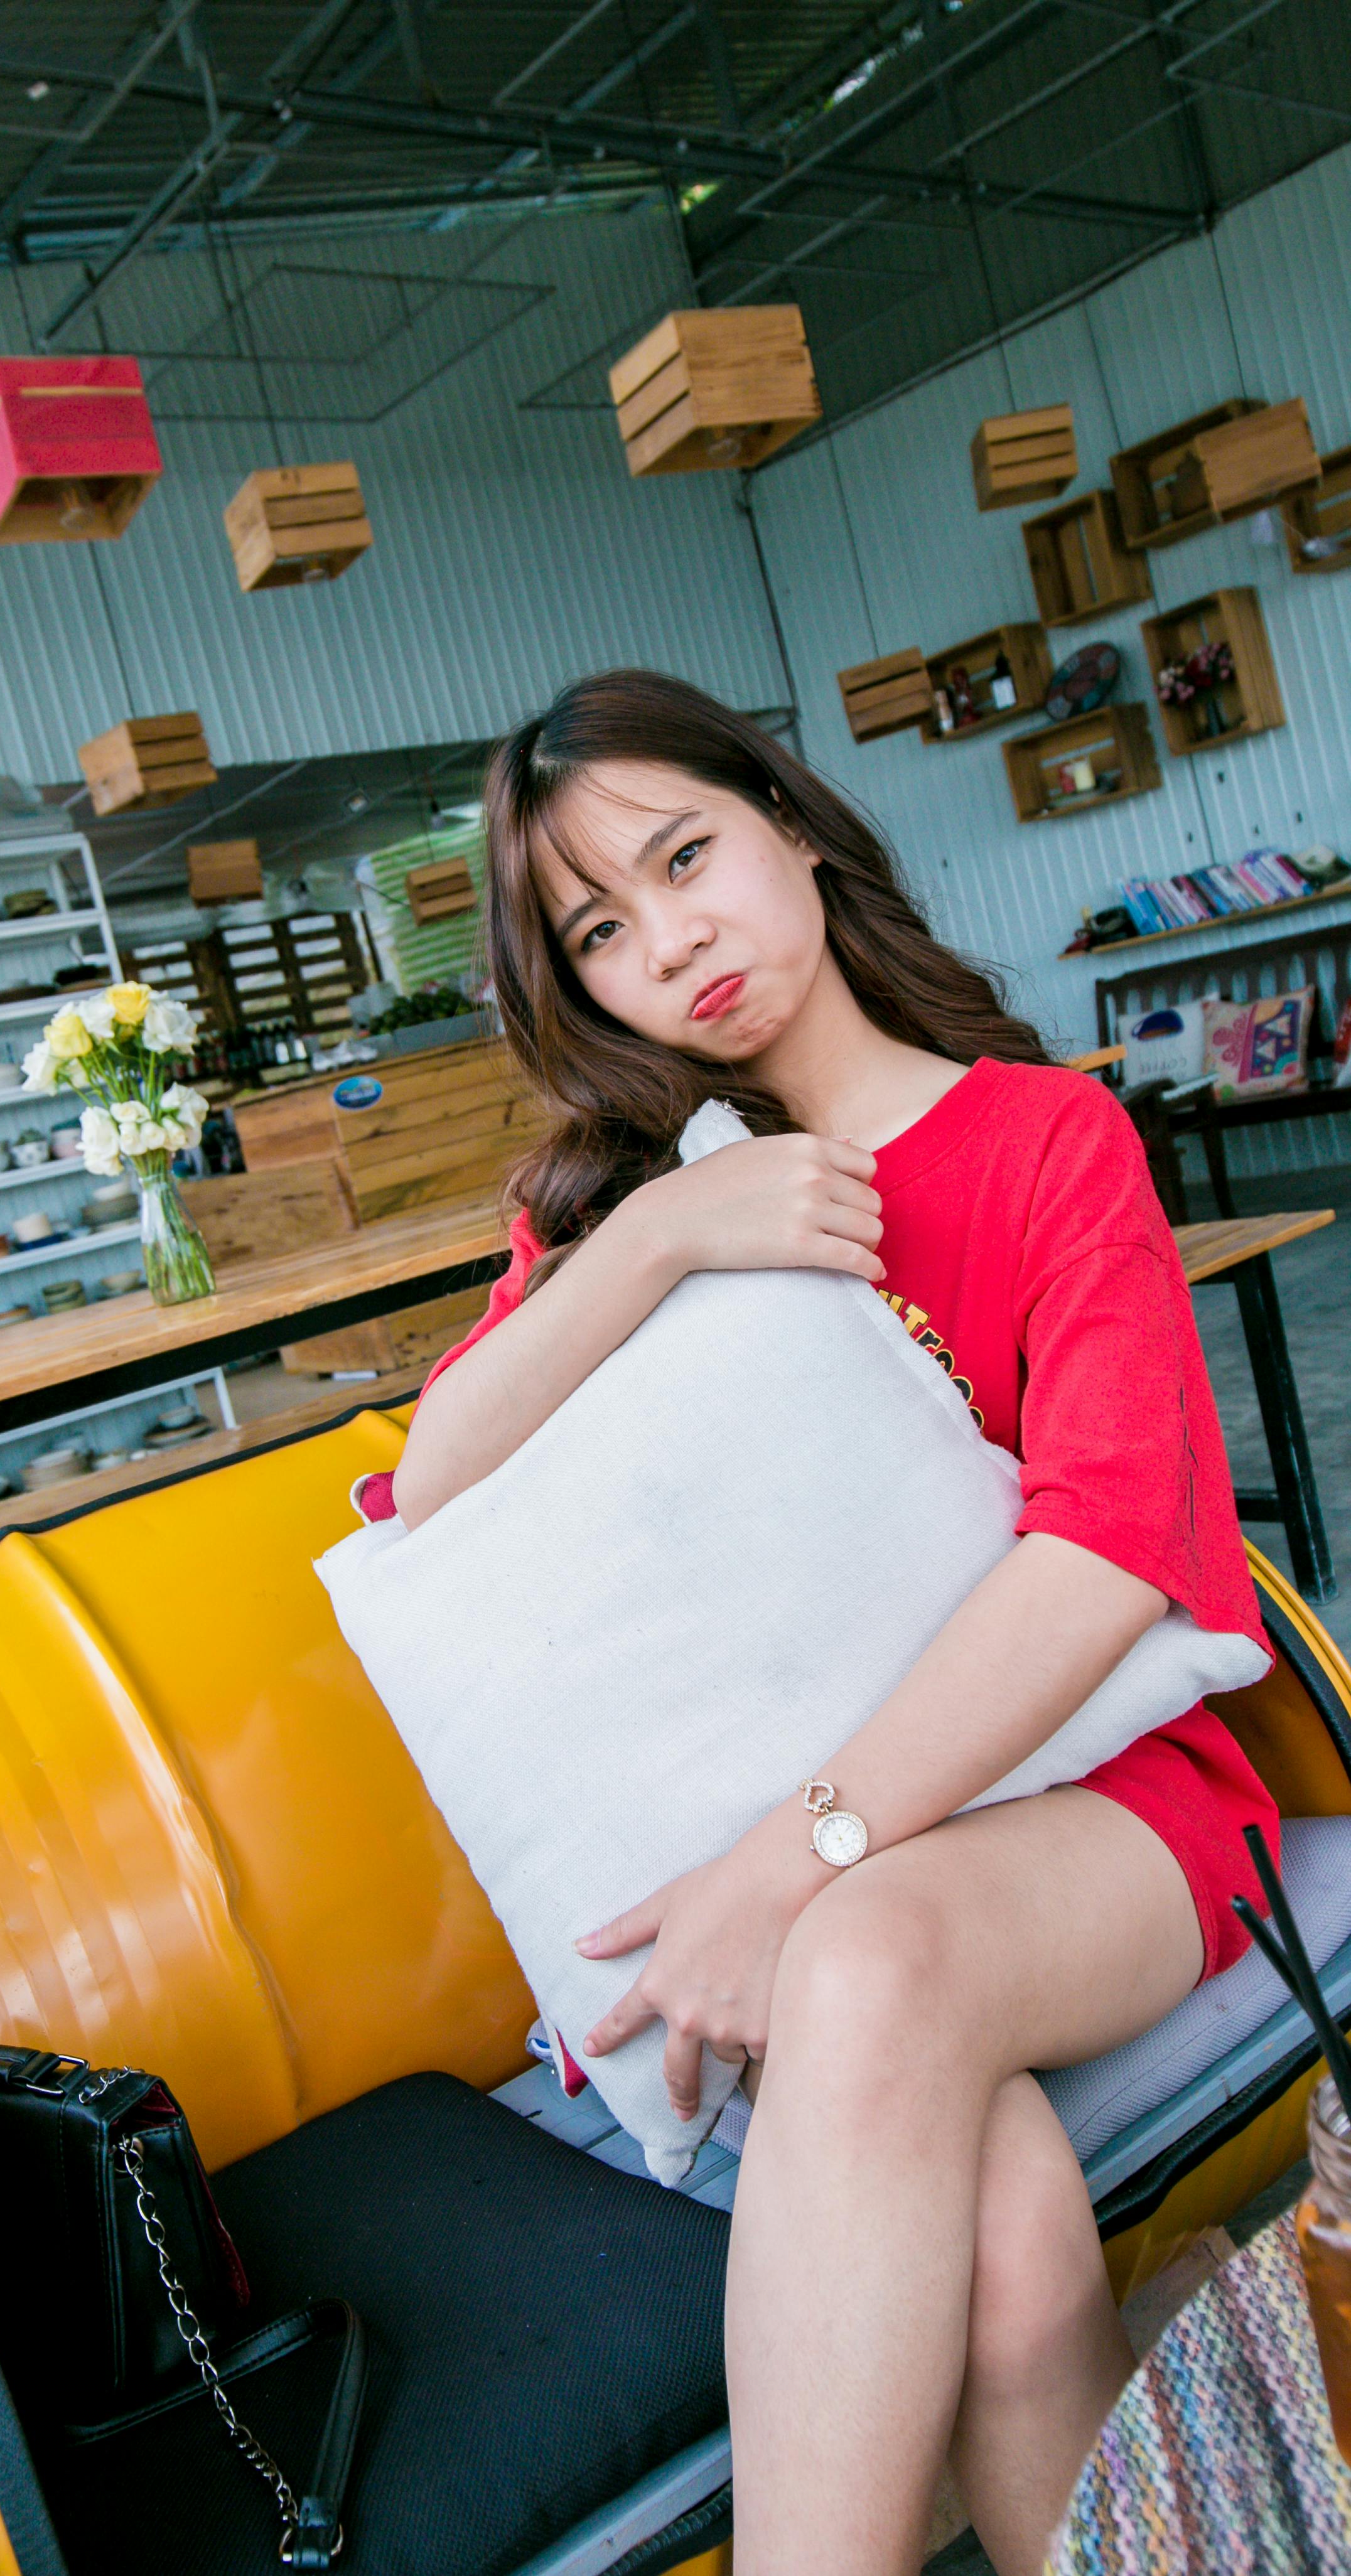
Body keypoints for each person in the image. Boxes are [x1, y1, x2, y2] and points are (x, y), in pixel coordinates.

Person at [382, 670, 1277, 2576]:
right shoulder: (629, 1205)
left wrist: (786, 1865)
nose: (671, 941)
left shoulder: (1045, 1142)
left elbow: (1109, 1552)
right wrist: (666, 1238)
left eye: (688, 855)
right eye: (601, 933)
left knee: (863, 1959)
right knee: (1018, 2250)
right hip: (789, 1843)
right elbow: (432, 1487)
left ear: (788, 821)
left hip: (1107, 1809)